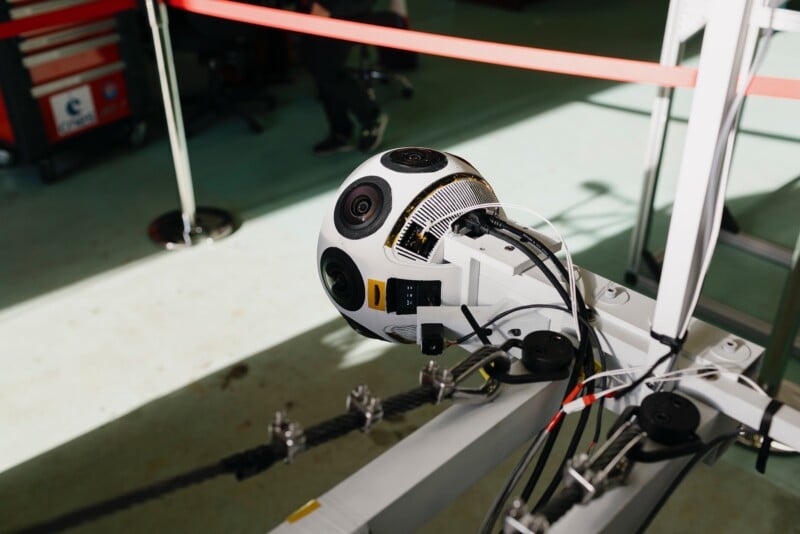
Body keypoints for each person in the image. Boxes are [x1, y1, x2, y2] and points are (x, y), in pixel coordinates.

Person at [300, 0, 389, 155]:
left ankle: (371, 118)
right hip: (317, 7)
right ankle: (341, 132)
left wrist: (325, 5)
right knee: (318, 67)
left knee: (326, 71)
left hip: (338, 8)